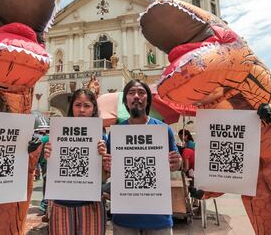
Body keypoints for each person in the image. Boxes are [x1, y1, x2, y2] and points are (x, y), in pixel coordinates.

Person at [99, 79, 181, 235]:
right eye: (131, 93)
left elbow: (177, 164)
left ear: (148, 100)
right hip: (124, 218)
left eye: (141, 92)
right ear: (126, 101)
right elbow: (107, 171)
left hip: (158, 217)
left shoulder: (164, 130)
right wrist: (106, 165)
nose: (136, 96)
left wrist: (177, 162)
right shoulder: (115, 134)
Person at [44, 88, 106, 235]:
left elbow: (105, 176)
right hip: (61, 203)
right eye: (78, 105)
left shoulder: (102, 138)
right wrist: (48, 155)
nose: (82, 110)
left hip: (91, 204)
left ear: (93, 109)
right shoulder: (57, 133)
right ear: (71, 107)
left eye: (87, 106)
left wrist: (104, 158)